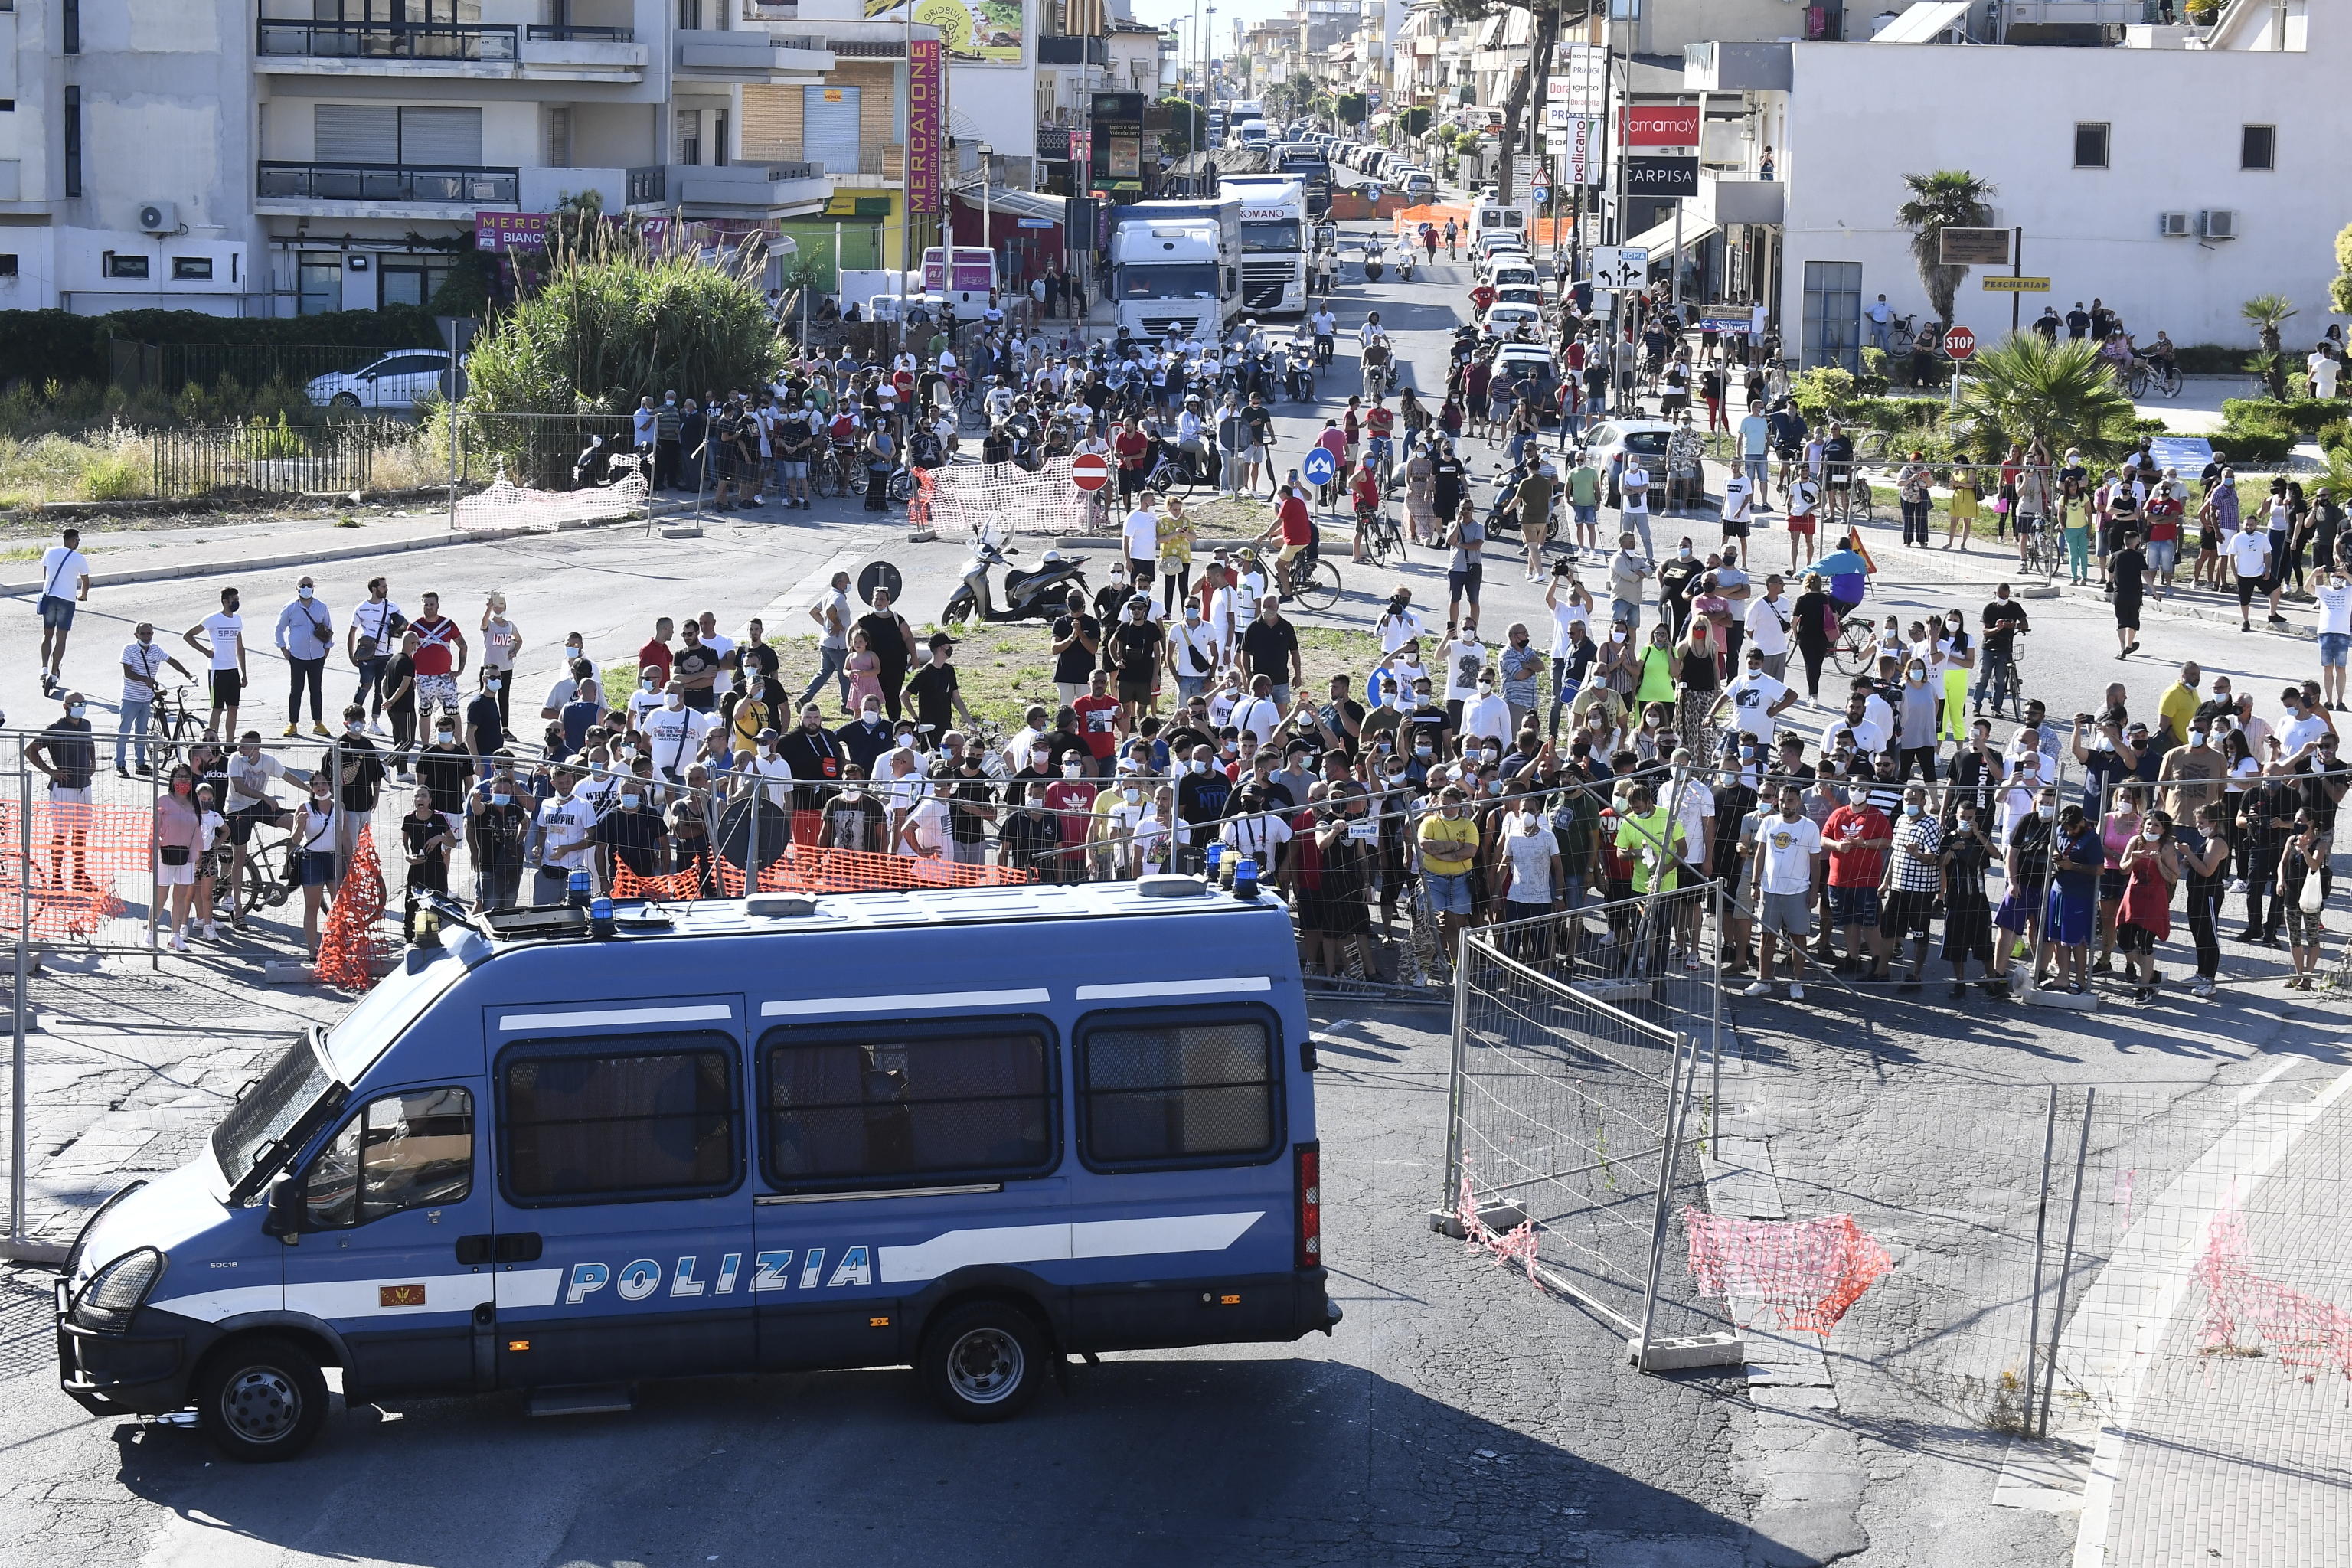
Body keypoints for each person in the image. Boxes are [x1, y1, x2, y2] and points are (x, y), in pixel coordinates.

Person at [185, 585, 248, 742]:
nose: (236, 602)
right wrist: (206, 651)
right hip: (217, 670)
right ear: (225, 602)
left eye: (238, 599)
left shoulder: (237, 620)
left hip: (232, 669)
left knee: (233, 709)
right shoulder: (213, 619)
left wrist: (244, 673)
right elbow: (188, 636)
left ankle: (229, 744)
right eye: (234, 600)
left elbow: (240, 647)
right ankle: (212, 744)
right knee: (218, 708)